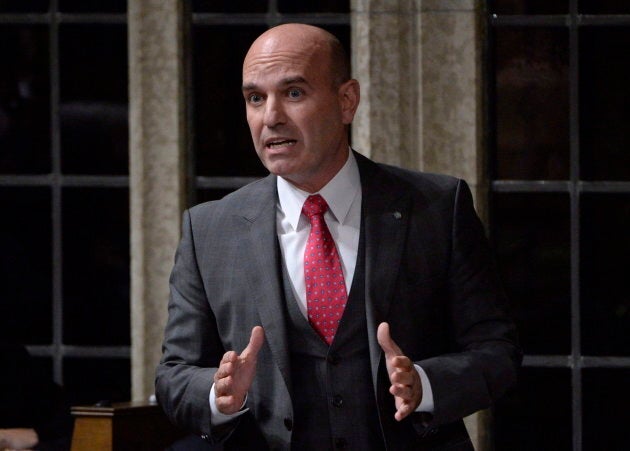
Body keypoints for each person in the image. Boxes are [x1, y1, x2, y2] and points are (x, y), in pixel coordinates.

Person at [156, 23, 521, 450]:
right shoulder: (209, 229)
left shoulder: (437, 207)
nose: (271, 117)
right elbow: (174, 375)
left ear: (347, 101)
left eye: (293, 93)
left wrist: (424, 384)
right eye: (256, 98)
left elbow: (497, 353)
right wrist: (217, 395)